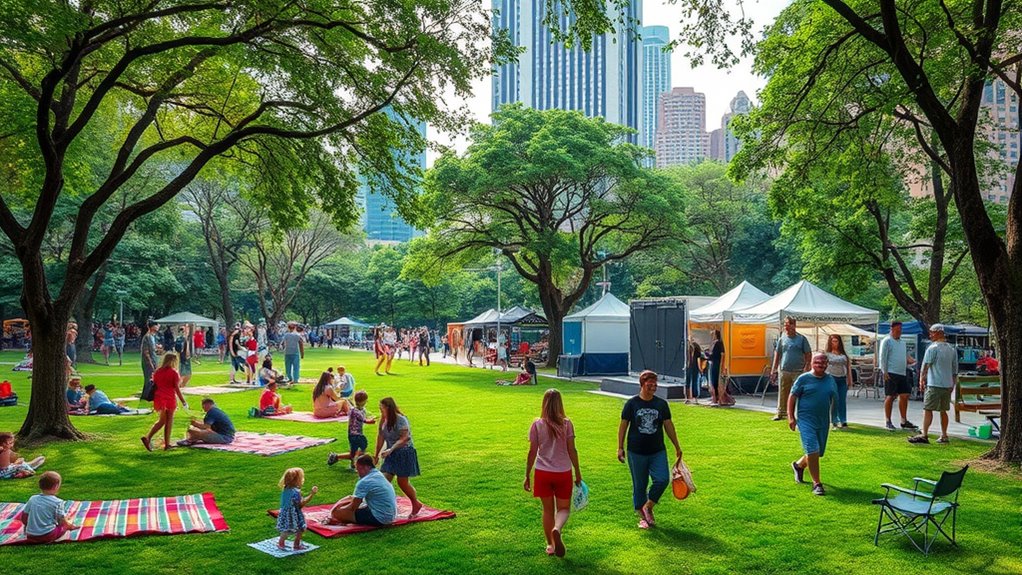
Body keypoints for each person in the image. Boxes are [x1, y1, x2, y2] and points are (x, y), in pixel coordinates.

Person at [617, 370, 684, 529]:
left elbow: (668, 426)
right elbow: (623, 426)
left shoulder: (661, 404)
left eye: (655, 383)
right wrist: (620, 447)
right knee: (640, 485)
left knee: (662, 479)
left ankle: (649, 506)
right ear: (642, 384)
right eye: (650, 383)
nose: (653, 386)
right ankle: (643, 517)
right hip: (636, 451)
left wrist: (677, 446)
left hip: (657, 450)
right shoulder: (632, 404)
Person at [525, 389, 582, 557]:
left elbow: (532, 452)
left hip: (542, 472)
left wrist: (527, 475)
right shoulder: (567, 424)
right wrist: (578, 472)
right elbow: (572, 450)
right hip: (563, 472)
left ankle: (550, 544)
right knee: (563, 508)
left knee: (547, 510)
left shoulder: (537, 424)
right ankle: (557, 529)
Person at [788, 353, 838, 496]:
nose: (820, 364)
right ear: (811, 363)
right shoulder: (803, 379)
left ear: (827, 364)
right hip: (806, 421)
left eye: (823, 362)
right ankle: (817, 484)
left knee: (818, 453)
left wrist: (836, 417)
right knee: (813, 450)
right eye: (817, 362)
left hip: (823, 421)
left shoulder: (830, 380)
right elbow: (792, 397)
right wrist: (791, 417)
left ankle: (798, 466)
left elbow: (834, 398)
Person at [909, 324, 958, 445]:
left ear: (938, 333)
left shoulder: (932, 348)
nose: (930, 335)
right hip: (947, 385)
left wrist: (921, 380)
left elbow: (925, 366)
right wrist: (953, 384)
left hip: (934, 383)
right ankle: (944, 435)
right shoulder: (952, 349)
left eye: (931, 332)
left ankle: (924, 434)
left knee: (927, 409)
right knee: (943, 410)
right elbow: (954, 370)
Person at [374, 397, 423, 517]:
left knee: (402, 482)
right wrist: (375, 455)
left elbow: (405, 438)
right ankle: (382, 506)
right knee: (383, 480)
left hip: (404, 453)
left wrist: (391, 449)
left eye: (382, 408)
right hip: (391, 454)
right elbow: (380, 437)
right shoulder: (383, 420)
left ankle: (415, 503)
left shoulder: (400, 419)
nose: (381, 410)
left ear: (388, 408)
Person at [326, 455, 397, 527]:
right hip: (390, 515)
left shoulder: (364, 481)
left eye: (358, 469)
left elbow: (352, 507)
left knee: (336, 513)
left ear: (366, 467)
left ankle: (339, 516)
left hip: (380, 518)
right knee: (350, 499)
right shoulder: (378, 474)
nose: (357, 472)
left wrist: (338, 509)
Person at [142, 352, 187, 451]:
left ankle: (149, 437)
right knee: (169, 421)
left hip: (159, 397)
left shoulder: (158, 372)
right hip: (169, 398)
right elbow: (176, 389)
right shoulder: (173, 372)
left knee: (162, 420)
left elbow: (155, 384)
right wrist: (183, 401)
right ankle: (165, 443)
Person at [769, 317, 812, 421]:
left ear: (794, 325)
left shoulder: (801, 339)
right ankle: (781, 413)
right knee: (783, 392)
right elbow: (777, 354)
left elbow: (808, 353)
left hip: (798, 371)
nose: (786, 326)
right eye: (785, 324)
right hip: (784, 370)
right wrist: (774, 369)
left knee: (798, 392)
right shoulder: (782, 339)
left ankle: (799, 413)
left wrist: (807, 367)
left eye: (788, 324)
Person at [880, 321, 918, 432]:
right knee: (890, 396)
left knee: (905, 395)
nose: (899, 332)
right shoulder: (887, 341)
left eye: (900, 330)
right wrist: (884, 371)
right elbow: (883, 357)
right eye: (897, 330)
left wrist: (911, 361)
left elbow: (905, 355)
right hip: (891, 372)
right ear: (892, 329)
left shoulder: (902, 342)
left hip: (902, 372)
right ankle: (888, 420)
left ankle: (903, 420)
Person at [19, 472, 78, 543]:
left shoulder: (32, 499)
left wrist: (29, 526)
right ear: (55, 487)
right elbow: (61, 521)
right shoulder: (57, 502)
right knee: (64, 526)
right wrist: (69, 525)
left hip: (31, 535)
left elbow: (24, 516)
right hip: (47, 535)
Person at [328, 390, 376, 468]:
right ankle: (355, 461)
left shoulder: (362, 410)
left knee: (354, 452)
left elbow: (364, 417)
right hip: (354, 435)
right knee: (363, 447)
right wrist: (370, 421)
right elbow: (364, 420)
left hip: (358, 433)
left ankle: (338, 457)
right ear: (363, 401)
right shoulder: (354, 411)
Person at [276, 468, 318, 551]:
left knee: (286, 529)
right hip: (294, 514)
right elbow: (301, 504)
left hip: (285, 513)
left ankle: (281, 543)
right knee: (300, 529)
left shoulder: (286, 488)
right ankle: (296, 544)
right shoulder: (295, 492)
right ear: (296, 480)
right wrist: (312, 494)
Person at [824, 334, 852, 429]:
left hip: (842, 378)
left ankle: (843, 420)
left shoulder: (843, 355)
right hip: (831, 378)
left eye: (836, 341)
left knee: (842, 400)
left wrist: (849, 379)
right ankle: (834, 420)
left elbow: (848, 367)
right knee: (834, 400)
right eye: (833, 341)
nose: (835, 343)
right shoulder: (827, 354)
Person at [708, 329, 731, 406]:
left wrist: (722, 366)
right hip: (714, 363)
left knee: (717, 381)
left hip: (717, 364)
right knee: (713, 381)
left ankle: (719, 398)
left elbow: (722, 355)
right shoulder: (714, 343)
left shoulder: (719, 343)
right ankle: (716, 398)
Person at [140, 320, 159, 394]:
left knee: (153, 379)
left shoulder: (152, 336)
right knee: (149, 379)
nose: (158, 327)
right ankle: (147, 395)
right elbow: (145, 352)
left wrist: (157, 348)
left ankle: (151, 394)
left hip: (154, 360)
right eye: (156, 325)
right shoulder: (147, 337)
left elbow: (152, 349)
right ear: (152, 327)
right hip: (148, 362)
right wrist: (150, 362)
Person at [686, 340, 703, 404]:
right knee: (695, 382)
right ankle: (694, 397)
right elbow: (698, 361)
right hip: (695, 367)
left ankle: (688, 397)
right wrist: (700, 369)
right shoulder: (697, 352)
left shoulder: (689, 351)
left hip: (689, 367)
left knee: (688, 382)